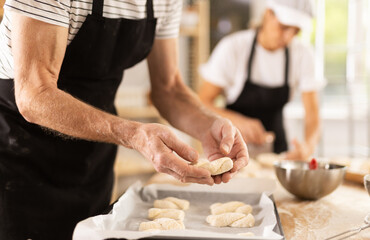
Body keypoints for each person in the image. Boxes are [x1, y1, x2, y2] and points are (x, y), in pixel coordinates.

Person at [0, 0, 249, 239]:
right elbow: (35, 95)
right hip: (19, 156)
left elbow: (169, 88)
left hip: (93, 160)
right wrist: (133, 134)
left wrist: (210, 125)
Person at [198, 0, 324, 160]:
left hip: (277, 152)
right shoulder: (233, 48)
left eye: (296, 31)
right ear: (268, 13)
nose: (288, 36)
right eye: (284, 27)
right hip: (229, 150)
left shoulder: (303, 55)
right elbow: (202, 103)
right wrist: (236, 121)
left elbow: (312, 114)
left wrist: (308, 147)